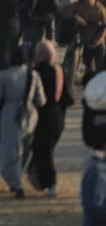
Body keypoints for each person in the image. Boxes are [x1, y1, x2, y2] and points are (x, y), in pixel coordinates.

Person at [0, 46, 46, 199]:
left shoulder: (3, 76)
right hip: (30, 116)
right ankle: (19, 177)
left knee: (10, 150)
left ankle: (16, 184)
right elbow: (41, 100)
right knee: (25, 149)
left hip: (10, 115)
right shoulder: (33, 75)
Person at [31, 40, 73, 197]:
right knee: (45, 151)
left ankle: (50, 183)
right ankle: (43, 181)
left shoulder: (36, 72)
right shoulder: (59, 71)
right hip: (58, 117)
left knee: (43, 151)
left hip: (43, 118)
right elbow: (69, 99)